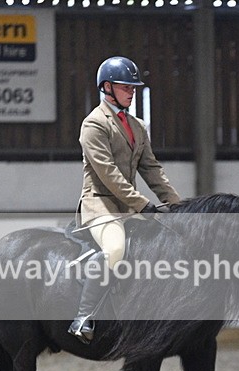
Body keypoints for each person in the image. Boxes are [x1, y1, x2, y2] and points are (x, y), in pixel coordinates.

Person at [68, 56, 182, 344]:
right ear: (106, 87)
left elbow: (152, 170)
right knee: (116, 248)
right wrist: (142, 204)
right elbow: (108, 174)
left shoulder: (137, 126)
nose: (132, 91)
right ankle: (83, 317)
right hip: (101, 206)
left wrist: (179, 207)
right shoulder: (93, 124)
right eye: (125, 86)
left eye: (134, 87)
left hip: (129, 208)